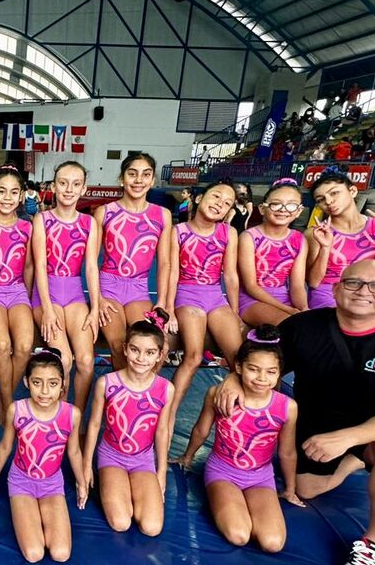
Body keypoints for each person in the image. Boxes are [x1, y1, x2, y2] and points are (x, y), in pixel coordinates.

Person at [215, 259, 375, 565]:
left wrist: (346, 438)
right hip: (317, 427)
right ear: (335, 289)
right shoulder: (304, 327)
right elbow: (263, 363)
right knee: (304, 489)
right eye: (354, 283)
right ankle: (352, 463)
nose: (364, 292)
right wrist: (233, 377)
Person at [178, 325, 301, 553]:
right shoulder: (219, 394)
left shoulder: (287, 407)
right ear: (239, 367)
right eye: (253, 369)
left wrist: (290, 489)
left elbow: (287, 451)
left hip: (260, 477)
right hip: (222, 472)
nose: (262, 378)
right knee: (239, 535)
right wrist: (187, 457)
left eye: (271, 372)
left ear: (279, 373)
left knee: (272, 543)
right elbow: (201, 429)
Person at [0, 348, 87, 563]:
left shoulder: (71, 414)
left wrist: (81, 483)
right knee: (34, 554)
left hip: (52, 484)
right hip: (21, 482)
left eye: (52, 384)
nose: (44, 392)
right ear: (26, 382)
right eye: (37, 382)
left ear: (62, 385)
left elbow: (74, 451)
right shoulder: (17, 410)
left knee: (61, 554)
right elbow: (5, 446)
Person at [82, 311, 173, 537]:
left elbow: (162, 431)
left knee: (152, 528)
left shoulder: (165, 389)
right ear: (125, 348)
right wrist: (85, 466)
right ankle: (114, 484)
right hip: (112, 457)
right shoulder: (107, 383)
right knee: (120, 522)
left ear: (160, 355)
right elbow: (93, 425)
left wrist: (161, 471)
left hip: (143, 460)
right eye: (135, 350)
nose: (141, 358)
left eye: (149, 352)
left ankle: (136, 486)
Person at [31, 159, 101, 422]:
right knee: (66, 361)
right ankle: (55, 420)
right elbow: (39, 266)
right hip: (45, 293)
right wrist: (47, 310)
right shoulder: (43, 220)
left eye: (75, 184)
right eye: (63, 183)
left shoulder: (89, 223)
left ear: (84, 188)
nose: (69, 189)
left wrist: (94, 309)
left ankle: (77, 420)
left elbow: (91, 268)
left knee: (85, 361)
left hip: (73, 293)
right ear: (54, 186)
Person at [169, 180, 242, 414]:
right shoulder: (178, 231)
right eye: (216, 196)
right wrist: (169, 309)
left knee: (238, 360)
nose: (220, 204)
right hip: (188, 296)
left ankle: (242, 415)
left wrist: (235, 311)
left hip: (215, 297)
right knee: (193, 356)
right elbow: (172, 273)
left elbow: (230, 275)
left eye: (227, 203)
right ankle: (168, 414)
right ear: (199, 198)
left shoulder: (228, 233)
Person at [96, 152, 173, 372]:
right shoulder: (105, 212)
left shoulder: (162, 215)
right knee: (119, 345)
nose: (138, 180)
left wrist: (162, 302)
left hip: (138, 290)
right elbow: (91, 261)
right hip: (108, 287)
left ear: (152, 180)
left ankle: (140, 394)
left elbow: (165, 263)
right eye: (132, 174)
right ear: (122, 178)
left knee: (157, 345)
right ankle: (121, 395)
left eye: (145, 174)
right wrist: (98, 298)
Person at [0, 166, 35, 424]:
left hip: (18, 291)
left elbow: (30, 267)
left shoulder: (27, 228)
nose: (7, 197)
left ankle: (4, 396)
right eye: (1, 191)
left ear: (22, 196)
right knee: (2, 345)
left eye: (13, 192)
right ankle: (9, 404)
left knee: (23, 347)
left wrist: (30, 299)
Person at [306, 171, 375, 309]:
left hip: (367, 293)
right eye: (321, 199)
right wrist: (325, 248)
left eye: (334, 193)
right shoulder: (316, 233)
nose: (329, 201)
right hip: (329, 294)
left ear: (352, 191)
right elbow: (313, 282)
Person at [238, 178, 309, 327]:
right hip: (252, 299)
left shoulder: (299, 239)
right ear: (262, 208)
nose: (283, 209)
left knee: (309, 326)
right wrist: (288, 309)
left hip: (284, 298)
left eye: (291, 205)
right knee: (289, 325)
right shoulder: (249, 237)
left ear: (299, 211)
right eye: (276, 204)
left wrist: (303, 309)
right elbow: (250, 286)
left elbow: (297, 285)